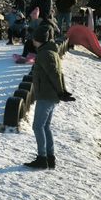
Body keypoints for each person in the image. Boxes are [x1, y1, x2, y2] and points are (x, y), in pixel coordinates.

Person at [24, 24, 75, 169]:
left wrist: (61, 92)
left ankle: (42, 158)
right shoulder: (49, 51)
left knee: (37, 126)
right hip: (49, 94)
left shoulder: (45, 54)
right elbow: (57, 73)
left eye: (33, 38)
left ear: (38, 39)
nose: (32, 41)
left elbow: (55, 74)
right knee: (45, 126)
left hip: (47, 95)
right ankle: (49, 157)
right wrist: (61, 91)